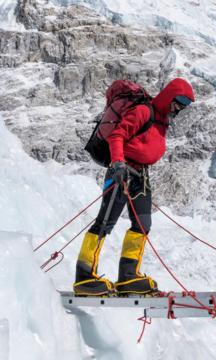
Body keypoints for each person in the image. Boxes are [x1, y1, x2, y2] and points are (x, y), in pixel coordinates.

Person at [74, 78, 195, 296]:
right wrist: (118, 162)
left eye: (184, 105)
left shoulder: (162, 121)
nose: (179, 108)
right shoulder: (143, 111)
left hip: (141, 175)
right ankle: (84, 277)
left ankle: (128, 277)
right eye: (178, 102)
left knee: (142, 224)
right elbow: (118, 135)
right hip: (122, 171)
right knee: (104, 223)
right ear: (169, 96)